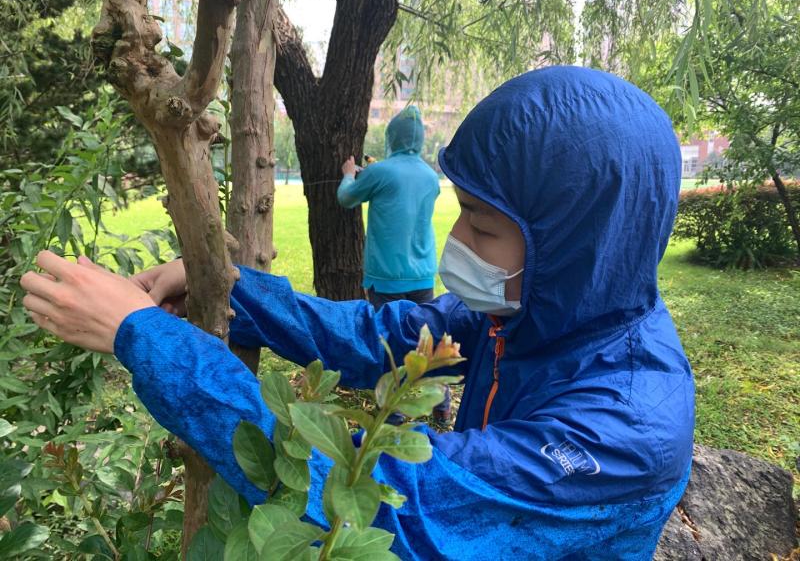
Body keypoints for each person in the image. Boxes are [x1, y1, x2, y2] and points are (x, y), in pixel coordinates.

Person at [20, 67, 694, 560]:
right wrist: (227, 289)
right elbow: (379, 333)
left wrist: (144, 338)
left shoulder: (626, 430)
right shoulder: (535, 315)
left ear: (574, 245)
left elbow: (387, 495)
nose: (458, 246)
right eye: (461, 215)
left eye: (484, 229)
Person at [337, 105, 451, 421]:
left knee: (389, 344)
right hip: (423, 275)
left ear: (392, 136)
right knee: (425, 341)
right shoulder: (431, 177)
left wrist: (349, 175)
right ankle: (441, 403)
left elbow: (347, 198)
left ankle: (393, 414)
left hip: (386, 276)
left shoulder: (381, 171)